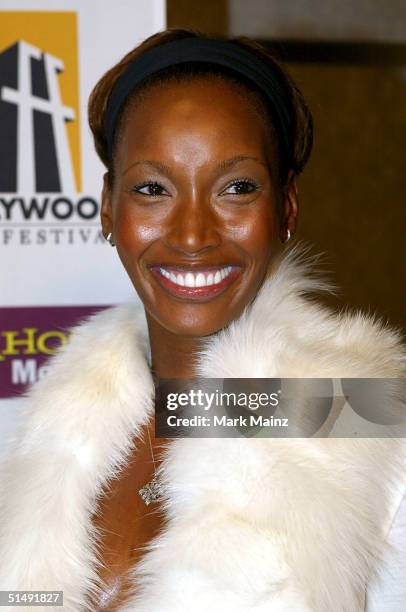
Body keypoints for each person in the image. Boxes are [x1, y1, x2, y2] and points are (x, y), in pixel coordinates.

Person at [0, 28, 405, 612]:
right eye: (152, 189)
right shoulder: (57, 426)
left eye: (237, 188)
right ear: (108, 209)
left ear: (285, 206)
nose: (193, 235)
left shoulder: (364, 424)